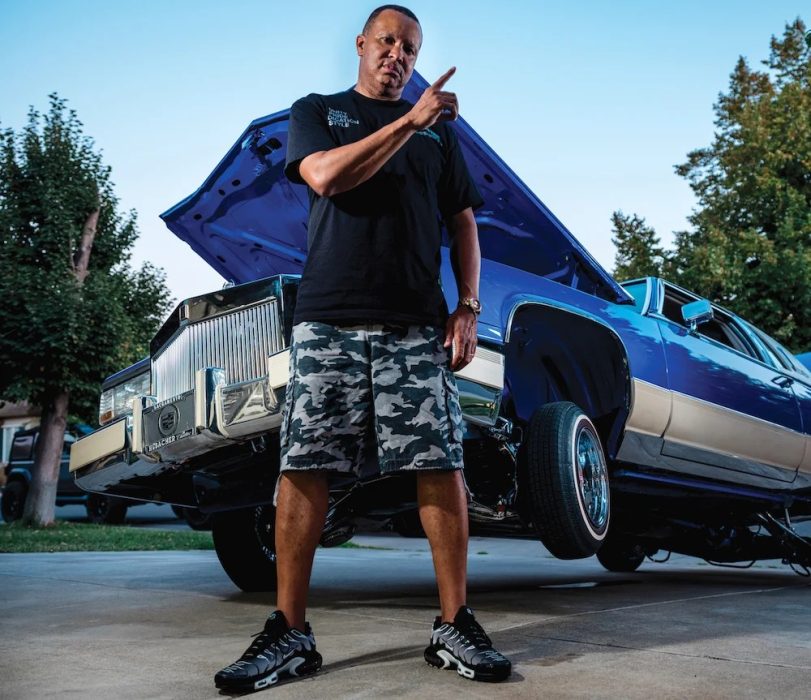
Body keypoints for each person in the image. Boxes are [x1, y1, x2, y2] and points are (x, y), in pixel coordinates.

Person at [214, 5, 511, 692]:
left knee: (439, 462)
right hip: (329, 318)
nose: (397, 56)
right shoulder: (319, 111)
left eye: (409, 49)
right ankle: (290, 631)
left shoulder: (439, 139)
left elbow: (463, 222)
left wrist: (467, 307)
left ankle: (454, 623)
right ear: (360, 44)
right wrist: (410, 121)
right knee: (305, 463)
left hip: (414, 323)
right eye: (387, 42)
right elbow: (325, 177)